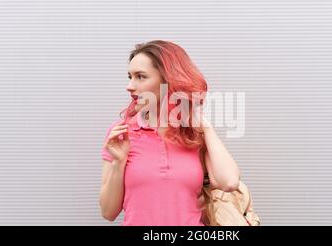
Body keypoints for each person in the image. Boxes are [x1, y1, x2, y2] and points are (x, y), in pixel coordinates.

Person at [99, 40, 240, 226]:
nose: (130, 86)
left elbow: (229, 182)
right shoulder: (122, 134)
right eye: (129, 76)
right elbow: (108, 212)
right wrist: (119, 162)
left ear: (168, 80)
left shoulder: (194, 134)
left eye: (140, 77)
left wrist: (204, 126)